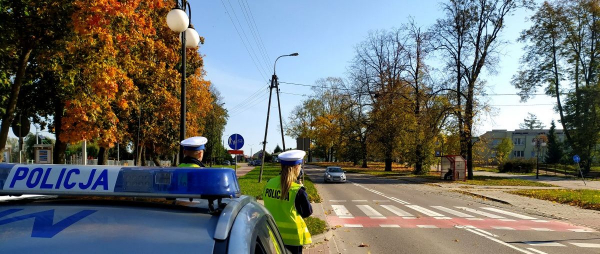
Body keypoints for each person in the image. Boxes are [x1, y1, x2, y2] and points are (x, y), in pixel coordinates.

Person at [263, 150, 312, 254]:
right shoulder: (297, 190)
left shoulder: (269, 183)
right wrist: (302, 190)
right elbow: (307, 212)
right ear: (296, 167)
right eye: (300, 165)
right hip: (293, 239)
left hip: (273, 234)